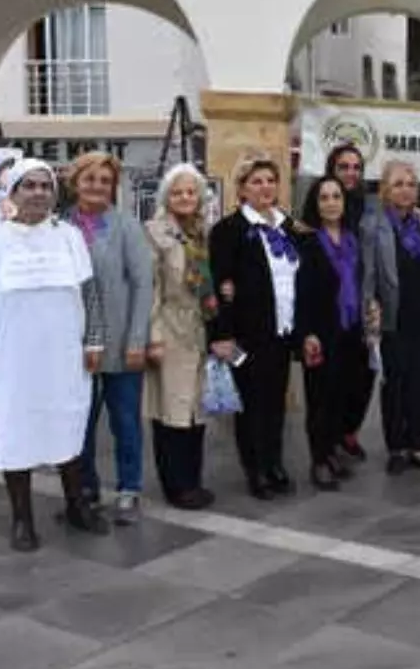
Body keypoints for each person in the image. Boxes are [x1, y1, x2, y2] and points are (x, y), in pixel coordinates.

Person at [0, 158, 110, 551]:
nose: (38, 193)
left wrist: (93, 341)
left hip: (63, 355)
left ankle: (77, 507)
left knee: (67, 427)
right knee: (15, 432)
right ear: (13, 193)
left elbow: (89, 294)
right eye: (29, 186)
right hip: (11, 357)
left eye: (46, 186)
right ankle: (22, 520)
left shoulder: (69, 237)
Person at [66, 151, 154, 524]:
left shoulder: (126, 226)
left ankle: (129, 488)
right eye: (90, 179)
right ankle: (84, 488)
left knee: (125, 421)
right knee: (78, 423)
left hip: (120, 344)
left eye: (104, 180)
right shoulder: (59, 226)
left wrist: (137, 339)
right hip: (74, 346)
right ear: (75, 183)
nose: (97, 186)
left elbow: (142, 283)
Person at [209, 153, 300, 500]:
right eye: (256, 181)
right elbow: (220, 284)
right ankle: (256, 469)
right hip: (248, 331)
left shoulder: (286, 226)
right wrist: (222, 333)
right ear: (242, 189)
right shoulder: (229, 230)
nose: (265, 187)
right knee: (251, 404)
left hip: (282, 329)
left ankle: (275, 462)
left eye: (270, 181)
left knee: (276, 401)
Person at [362, 160, 420, 475]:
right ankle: (397, 448)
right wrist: (370, 320)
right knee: (394, 384)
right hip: (393, 319)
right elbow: (369, 276)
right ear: (385, 189)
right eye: (398, 184)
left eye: (411, 184)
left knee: (419, 383)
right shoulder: (374, 225)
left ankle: (418, 447)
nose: (405, 190)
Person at [143, 162, 217, 510]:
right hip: (170, 329)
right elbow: (152, 289)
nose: (185, 198)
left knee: (195, 412)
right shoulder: (155, 232)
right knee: (171, 412)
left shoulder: (203, 232)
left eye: (191, 191)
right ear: (166, 197)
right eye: (178, 192)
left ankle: (194, 479)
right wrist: (153, 337)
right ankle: (176, 485)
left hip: (199, 329)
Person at [295, 176, 366, 491]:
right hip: (321, 331)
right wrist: (306, 333)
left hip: (350, 329)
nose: (331, 203)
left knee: (341, 395)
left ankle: (333, 450)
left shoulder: (353, 239)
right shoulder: (307, 241)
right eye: (324, 197)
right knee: (319, 399)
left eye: (336, 196)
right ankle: (319, 460)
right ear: (315, 203)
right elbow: (300, 292)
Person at [325, 143, 374, 461]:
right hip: (330, 311)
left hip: (362, 307)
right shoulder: (317, 207)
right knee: (332, 381)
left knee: (363, 377)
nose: (351, 173)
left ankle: (349, 433)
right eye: (344, 166)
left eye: (356, 167)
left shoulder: (369, 208)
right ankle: (327, 440)